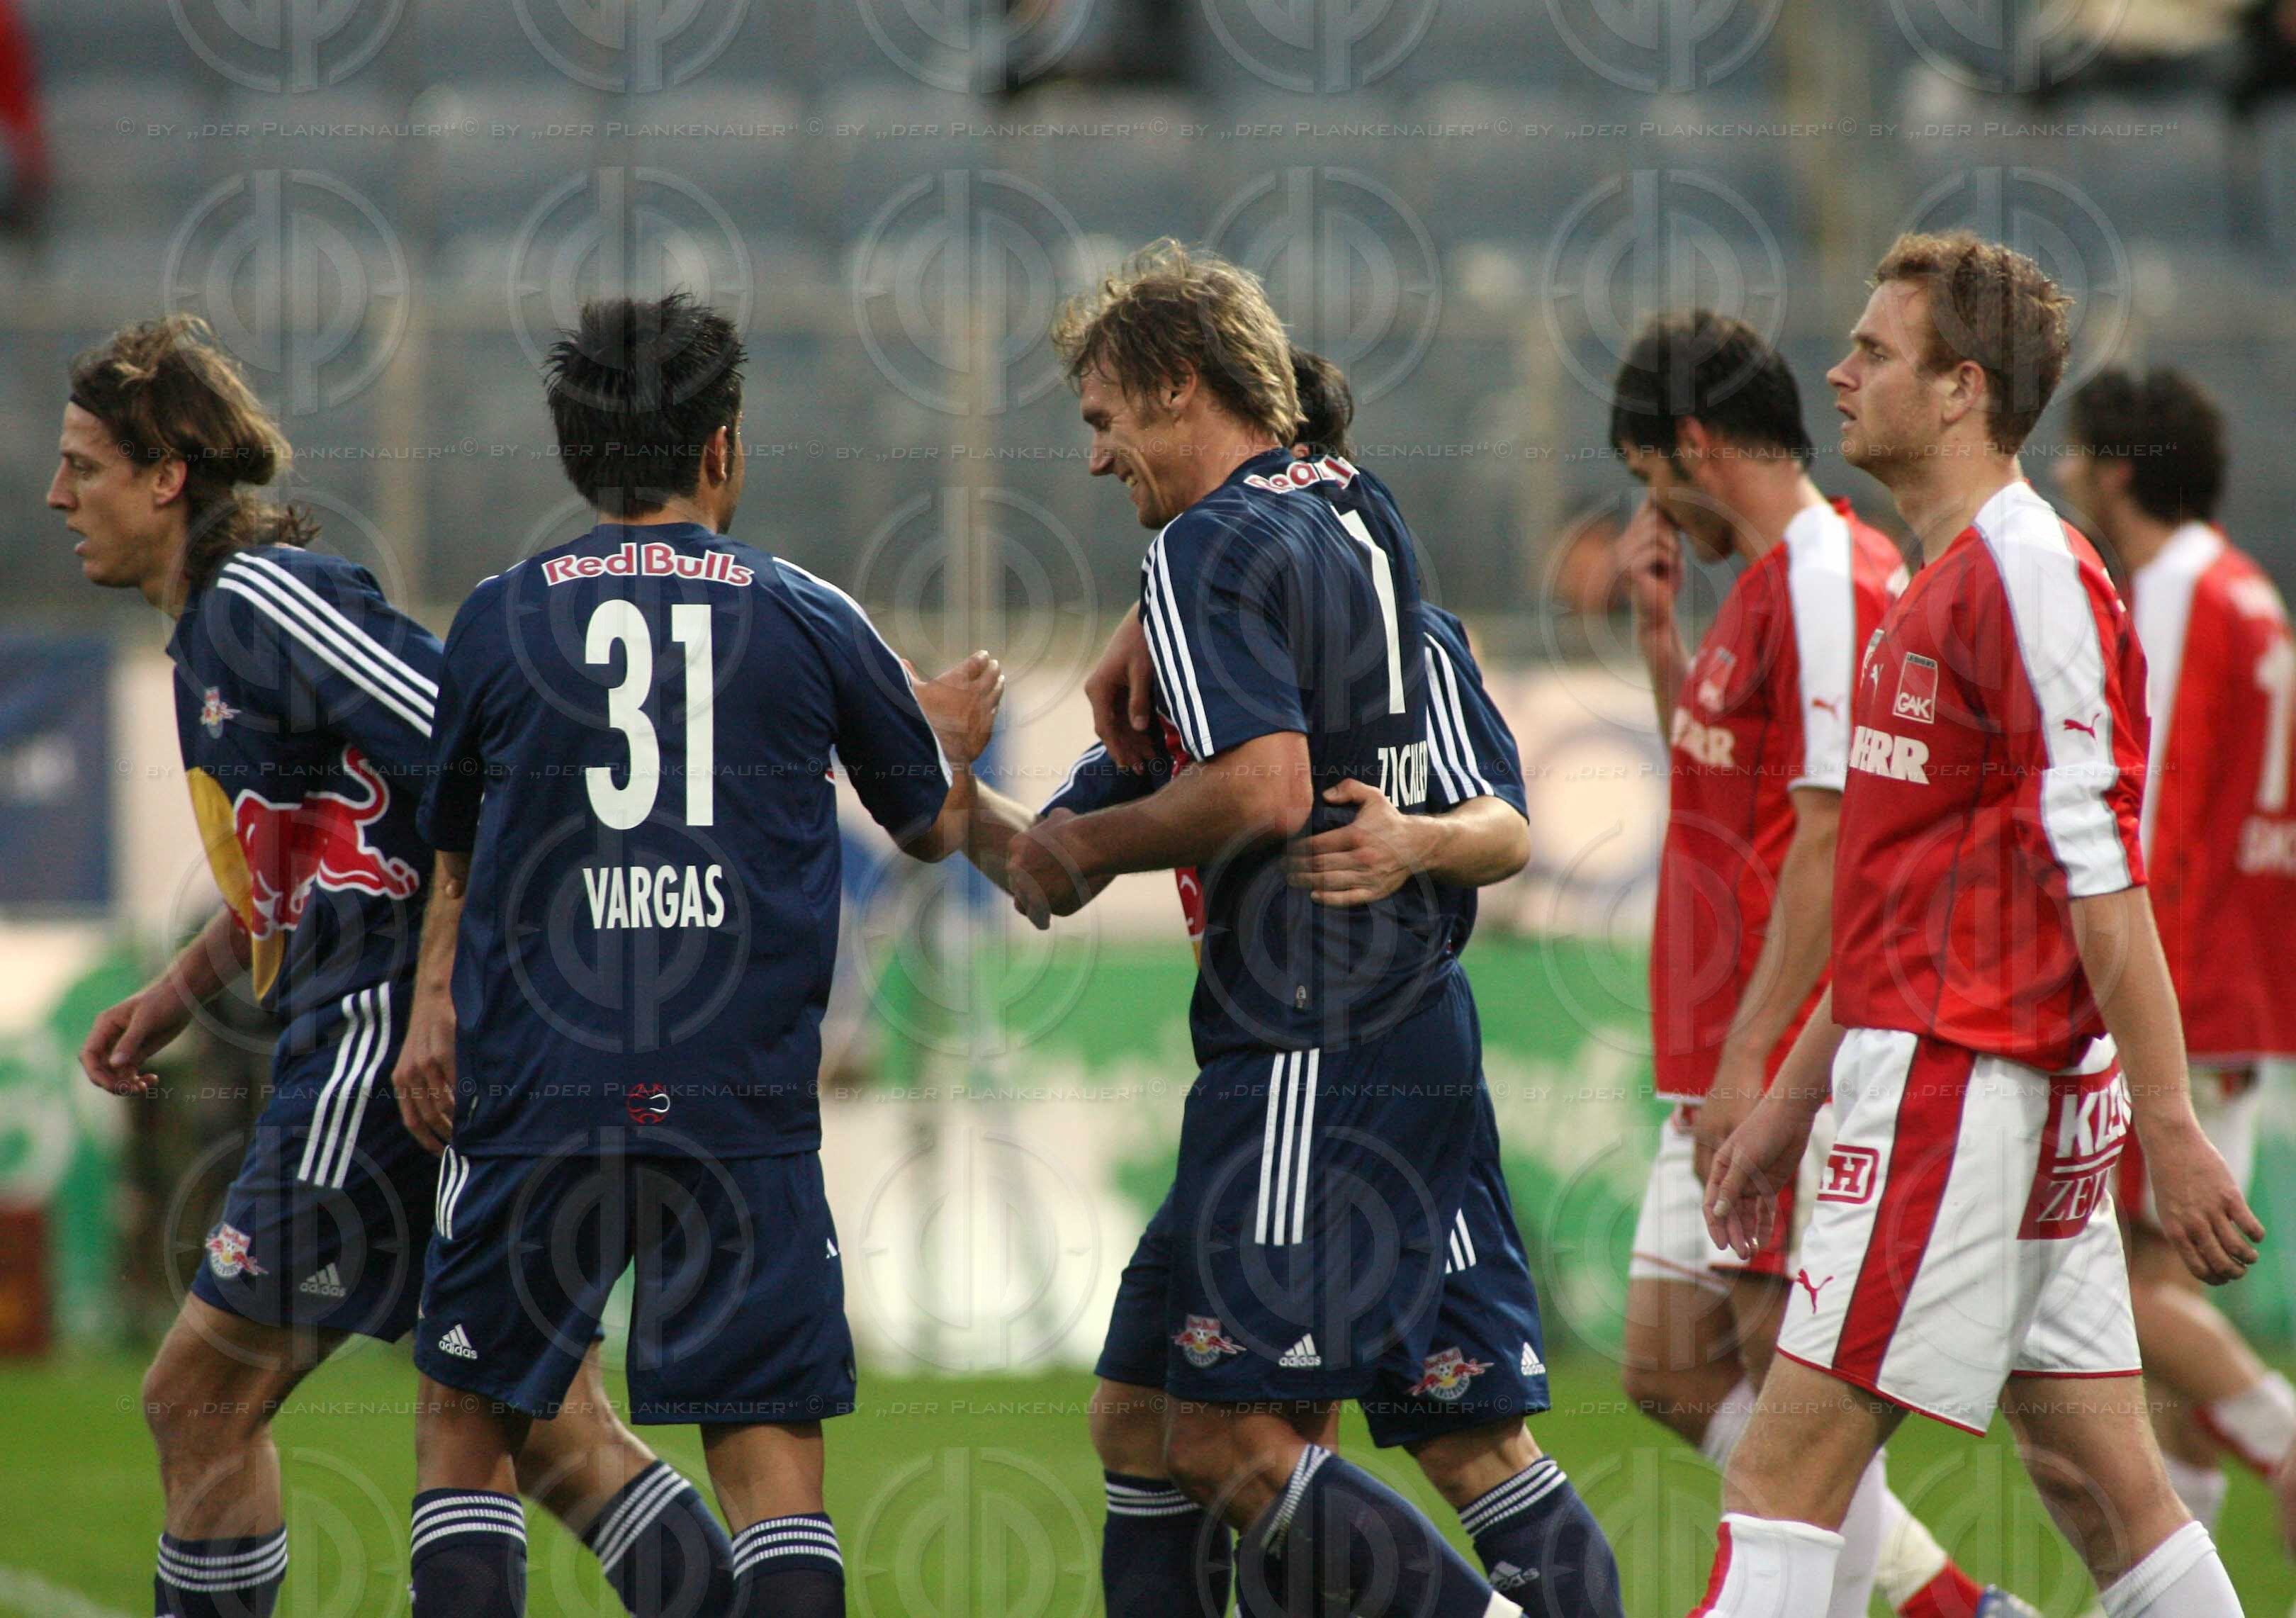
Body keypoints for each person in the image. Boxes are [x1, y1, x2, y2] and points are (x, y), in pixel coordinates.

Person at [965, 347, 1619, 1616]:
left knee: (1262, 1437)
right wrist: (933, 785)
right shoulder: (1192, 660)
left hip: (1342, 1053)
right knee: (1152, 1418)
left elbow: (1507, 827)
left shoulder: (1405, 643)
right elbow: (1056, 862)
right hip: (1331, 1064)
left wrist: (1417, 841)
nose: (1105, 464)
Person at [55, 313, 685, 1618]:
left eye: (85, 466)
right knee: (550, 1431)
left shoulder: (263, 600)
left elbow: (478, 746)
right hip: (418, 1038)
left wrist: (441, 997)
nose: (60, 496)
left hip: (382, 1047)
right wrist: (176, 993)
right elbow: (318, 860)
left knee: (199, 1397)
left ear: (167, 475)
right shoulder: (211, 631)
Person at [394, 292, 1001, 1617]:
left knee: (469, 1423)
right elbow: (935, 827)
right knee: (770, 1459)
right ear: (721, 445)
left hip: (542, 1089)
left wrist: (433, 1001)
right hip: (738, 1098)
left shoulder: (496, 618)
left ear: (576, 455)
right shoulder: (807, 610)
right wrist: (943, 737)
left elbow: (454, 841)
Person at [1699, 230, 2261, 1617]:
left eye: (1875, 352)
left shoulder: (2028, 574)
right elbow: (1896, 906)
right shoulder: (1940, 579)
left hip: (1964, 1087)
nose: (1840, 374)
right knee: (2104, 1487)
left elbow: (2101, 869)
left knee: (1778, 1478)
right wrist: (1789, 1101)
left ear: (1962, 389)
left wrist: (2171, 1122)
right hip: (1975, 1081)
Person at [1611, 310, 2027, 1618]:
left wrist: (1757, 1058)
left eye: (1648, 477)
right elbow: (1736, 785)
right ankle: (1950, 1605)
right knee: (1671, 1366)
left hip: (1782, 1044)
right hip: (1723, 1044)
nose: (1653, 510)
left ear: (1690, 445)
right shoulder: (1769, 585)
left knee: (1784, 1381)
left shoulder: (1822, 573)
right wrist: (1661, 648)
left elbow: (1836, 828)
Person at [2057, 367, 2296, 1551]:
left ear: (2116, 473)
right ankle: (2180, 1562)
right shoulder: (2247, 587)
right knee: (2156, 1288)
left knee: (2112, 1289)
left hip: (2185, 983)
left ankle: (2280, 1432)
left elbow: (2137, 810)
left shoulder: (2170, 594)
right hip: (2245, 985)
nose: (2060, 473)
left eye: (2074, 453)